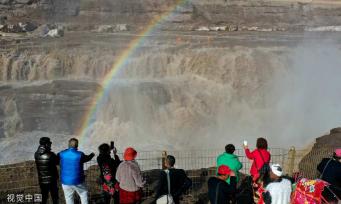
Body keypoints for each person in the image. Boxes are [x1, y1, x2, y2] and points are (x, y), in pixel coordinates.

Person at [58, 138, 95, 204]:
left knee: (69, 197)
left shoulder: (61, 154)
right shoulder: (80, 154)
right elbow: (87, 158)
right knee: (83, 194)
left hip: (65, 181)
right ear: (77, 145)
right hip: (78, 180)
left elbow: (57, 160)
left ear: (68, 144)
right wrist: (92, 154)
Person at [34, 137, 59, 204]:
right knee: (55, 197)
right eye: (50, 143)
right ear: (47, 144)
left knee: (43, 197)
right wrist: (58, 155)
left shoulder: (36, 154)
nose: (51, 144)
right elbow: (58, 162)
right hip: (52, 180)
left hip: (42, 180)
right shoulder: (51, 155)